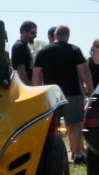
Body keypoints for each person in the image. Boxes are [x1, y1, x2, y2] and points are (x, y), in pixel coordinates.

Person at [32, 25, 94, 165]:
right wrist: (90, 88)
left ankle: (51, 156)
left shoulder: (43, 51)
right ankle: (77, 154)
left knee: (51, 126)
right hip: (71, 92)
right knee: (75, 124)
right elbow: (84, 71)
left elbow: (36, 73)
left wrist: (36, 92)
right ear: (68, 36)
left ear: (54, 34)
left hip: (51, 94)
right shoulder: (74, 50)